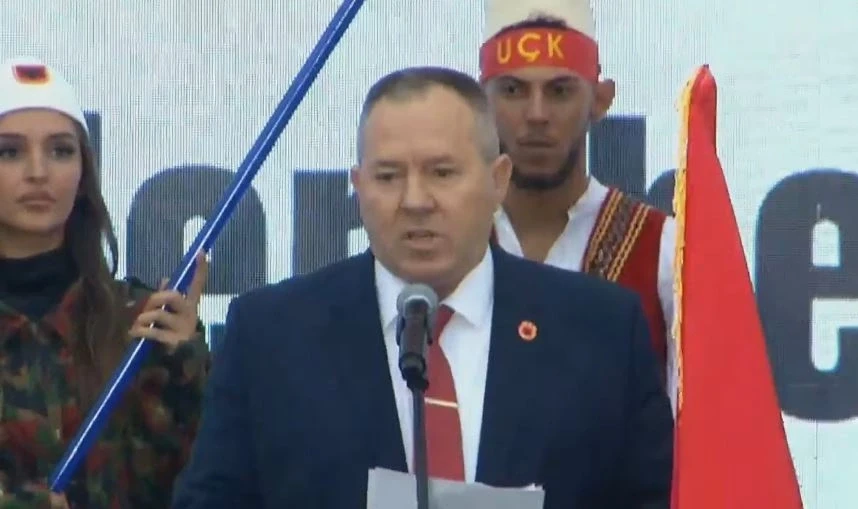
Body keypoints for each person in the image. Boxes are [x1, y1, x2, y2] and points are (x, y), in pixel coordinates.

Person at [172, 66, 673, 508]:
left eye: (442, 173)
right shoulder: (271, 335)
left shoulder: (601, 330)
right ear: (359, 188)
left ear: (498, 180)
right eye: (389, 176)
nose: (415, 200)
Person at [0, 57, 210, 509]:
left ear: (83, 174)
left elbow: (204, 485)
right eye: (9, 152)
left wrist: (184, 369)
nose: (38, 172)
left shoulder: (140, 322)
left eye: (60, 151)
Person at [480, 0, 679, 411]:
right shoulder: (449, 242)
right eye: (513, 90)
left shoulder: (663, 249)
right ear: (480, 104)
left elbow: (699, 424)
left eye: (560, 91)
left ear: (600, 100)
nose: (537, 114)